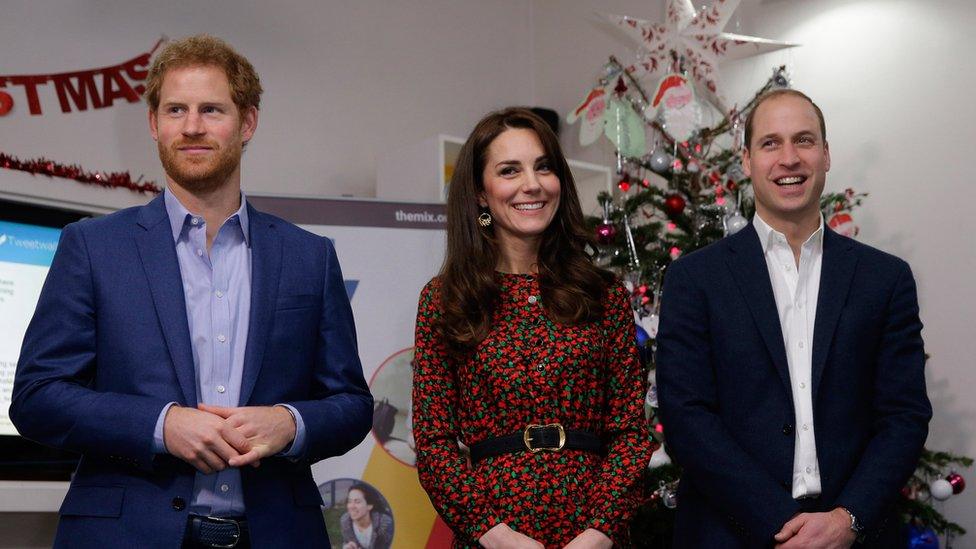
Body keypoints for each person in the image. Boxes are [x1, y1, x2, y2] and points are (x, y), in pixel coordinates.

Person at [10, 34, 372, 549]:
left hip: (276, 533)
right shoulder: (92, 246)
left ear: (246, 123)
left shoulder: (309, 256)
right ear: (154, 124)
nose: (193, 126)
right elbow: (36, 397)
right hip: (126, 535)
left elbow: (352, 404)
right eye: (176, 109)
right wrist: (162, 425)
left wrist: (290, 423)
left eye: (211, 109)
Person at [656, 89, 931, 548]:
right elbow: (687, 419)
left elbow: (904, 416)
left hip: (853, 535)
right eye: (770, 143)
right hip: (729, 532)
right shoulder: (694, 279)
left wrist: (846, 520)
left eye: (804, 141)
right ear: (745, 160)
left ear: (825, 155)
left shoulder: (885, 279)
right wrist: (783, 524)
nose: (789, 158)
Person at [412, 107, 650, 549]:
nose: (532, 184)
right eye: (509, 170)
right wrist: (495, 536)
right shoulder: (446, 300)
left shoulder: (604, 294)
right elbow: (433, 443)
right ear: (481, 194)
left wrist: (599, 533)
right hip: (493, 533)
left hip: (594, 529)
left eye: (544, 167)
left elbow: (631, 434)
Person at [340, 483, 394, 549]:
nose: (351, 506)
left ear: (369, 506)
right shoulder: (345, 522)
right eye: (349, 501)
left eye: (357, 502)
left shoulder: (384, 525)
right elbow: (346, 541)